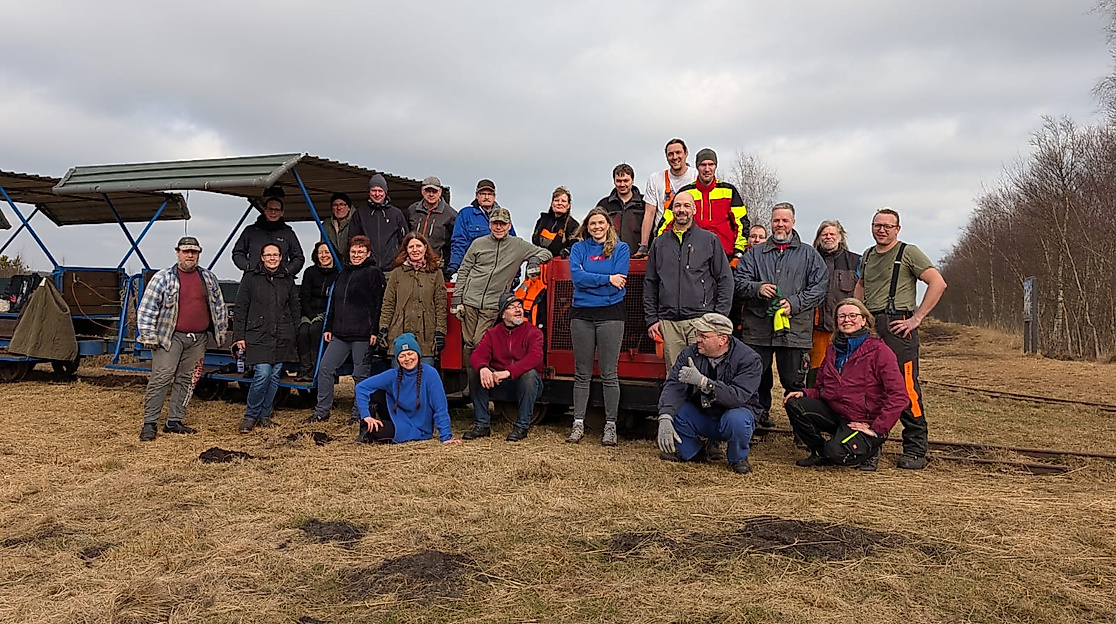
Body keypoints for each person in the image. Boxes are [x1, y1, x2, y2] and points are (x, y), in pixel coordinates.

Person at [855, 208, 947, 470]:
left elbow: (937, 283)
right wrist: (857, 312)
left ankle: (916, 446)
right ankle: (871, 444)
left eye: (887, 226)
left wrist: (916, 318)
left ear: (897, 229)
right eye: (877, 225)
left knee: (906, 388)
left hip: (898, 327)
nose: (881, 230)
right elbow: (861, 284)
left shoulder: (909, 252)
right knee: (871, 386)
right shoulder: (868, 254)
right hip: (872, 327)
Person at [784, 299, 907, 471]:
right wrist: (805, 394)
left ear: (864, 320)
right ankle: (819, 453)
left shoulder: (880, 351)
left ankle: (871, 447)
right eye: (841, 316)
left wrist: (878, 428)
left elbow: (899, 395)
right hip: (836, 413)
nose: (847, 320)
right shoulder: (832, 350)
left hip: (863, 420)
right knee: (794, 403)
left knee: (836, 453)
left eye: (852, 315)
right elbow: (821, 388)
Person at [734, 202, 827, 428]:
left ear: (793, 222)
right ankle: (754, 420)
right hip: (758, 329)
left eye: (785, 220)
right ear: (771, 222)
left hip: (794, 330)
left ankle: (801, 427)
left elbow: (819, 287)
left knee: (794, 381)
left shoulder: (809, 255)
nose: (780, 225)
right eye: (776, 220)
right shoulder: (754, 254)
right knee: (755, 378)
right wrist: (757, 288)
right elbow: (738, 282)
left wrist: (794, 303)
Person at [136, 236, 229, 441]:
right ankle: (150, 423)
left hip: (198, 338)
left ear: (199, 254)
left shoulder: (208, 278)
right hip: (170, 337)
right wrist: (149, 336)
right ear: (177, 252)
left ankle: (174, 421)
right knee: (162, 377)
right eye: (186, 251)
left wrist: (221, 332)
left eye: (194, 252)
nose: (190, 255)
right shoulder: (163, 278)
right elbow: (147, 309)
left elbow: (219, 306)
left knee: (187, 379)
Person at [656, 313, 763, 474]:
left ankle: (738, 458)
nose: (697, 339)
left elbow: (738, 397)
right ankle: (693, 452)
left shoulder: (749, 359)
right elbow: (673, 386)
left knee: (738, 420)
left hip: (733, 414)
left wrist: (705, 383)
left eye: (704, 336)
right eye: (697, 334)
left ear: (723, 339)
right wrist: (664, 416)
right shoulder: (689, 354)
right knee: (676, 410)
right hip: (702, 412)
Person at [451, 206, 552, 371]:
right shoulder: (478, 244)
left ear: (509, 225)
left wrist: (533, 261)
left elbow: (545, 253)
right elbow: (464, 270)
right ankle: (472, 383)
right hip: (470, 300)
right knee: (468, 343)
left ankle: (482, 381)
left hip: (492, 303)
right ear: (490, 225)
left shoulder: (518, 245)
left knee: (479, 341)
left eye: (503, 224)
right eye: (495, 223)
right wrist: (457, 299)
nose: (499, 227)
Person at [643, 192, 733, 373]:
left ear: (694, 209)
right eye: (677, 206)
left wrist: (718, 317)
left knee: (704, 374)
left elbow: (725, 279)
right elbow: (650, 283)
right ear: (672, 210)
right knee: (675, 376)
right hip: (669, 324)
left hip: (701, 321)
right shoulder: (659, 244)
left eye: (686, 206)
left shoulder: (709, 240)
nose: (681, 210)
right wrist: (652, 319)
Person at [565, 206, 630, 446]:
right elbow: (577, 279)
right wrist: (606, 279)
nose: (597, 227)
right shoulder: (578, 248)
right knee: (581, 373)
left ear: (608, 225)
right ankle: (578, 423)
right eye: (592, 223)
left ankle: (610, 426)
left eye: (601, 223)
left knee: (609, 373)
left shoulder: (621, 248)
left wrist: (593, 279)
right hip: (581, 314)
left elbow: (619, 281)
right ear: (587, 226)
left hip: (611, 315)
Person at [308, 235, 386, 423]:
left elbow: (379, 304)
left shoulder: (374, 273)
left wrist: (374, 330)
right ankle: (321, 411)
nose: (356, 255)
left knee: (360, 375)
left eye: (360, 252)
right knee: (325, 368)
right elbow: (333, 302)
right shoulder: (343, 273)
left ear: (368, 253)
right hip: (340, 333)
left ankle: (358, 415)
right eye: (353, 251)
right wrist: (328, 327)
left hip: (363, 334)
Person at [234, 243, 300, 433]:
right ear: (261, 257)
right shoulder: (250, 278)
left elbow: (295, 307)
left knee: (274, 377)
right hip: (257, 334)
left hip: (282, 335)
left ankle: (264, 415)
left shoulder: (287, 279)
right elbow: (240, 309)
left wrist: (294, 332)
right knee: (262, 374)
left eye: (276, 255)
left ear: (281, 258)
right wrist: (239, 336)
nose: (272, 258)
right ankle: (250, 415)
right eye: (268, 255)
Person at [353, 333, 461, 445]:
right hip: (396, 417)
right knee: (375, 392)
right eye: (402, 356)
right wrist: (366, 416)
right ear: (397, 359)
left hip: (417, 428)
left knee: (377, 432)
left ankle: (374, 431)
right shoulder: (393, 374)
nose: (407, 359)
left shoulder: (430, 373)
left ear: (418, 354)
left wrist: (446, 437)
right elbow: (361, 387)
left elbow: (440, 407)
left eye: (410, 354)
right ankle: (366, 428)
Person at [464, 292, 545, 442]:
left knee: (530, 375)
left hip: (526, 384)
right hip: (500, 383)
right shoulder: (492, 334)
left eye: (519, 306)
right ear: (503, 314)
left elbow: (535, 358)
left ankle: (521, 427)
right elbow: (477, 355)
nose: (518, 310)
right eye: (512, 307)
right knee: (475, 372)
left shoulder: (533, 332)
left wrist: (508, 372)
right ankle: (482, 425)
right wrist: (483, 369)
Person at [658, 148, 748, 259]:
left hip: (724, 257)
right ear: (697, 167)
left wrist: (738, 254)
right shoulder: (685, 193)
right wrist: (661, 249)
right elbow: (665, 224)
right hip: (692, 257)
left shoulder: (729, 191)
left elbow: (742, 224)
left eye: (711, 164)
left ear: (716, 166)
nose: (707, 169)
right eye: (703, 165)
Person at [379, 232, 448, 367]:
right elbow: (388, 303)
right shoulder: (397, 273)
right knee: (400, 380)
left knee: (424, 379)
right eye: (411, 247)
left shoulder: (435, 273)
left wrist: (440, 331)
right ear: (406, 250)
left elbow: (440, 304)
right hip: (399, 331)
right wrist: (383, 328)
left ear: (425, 248)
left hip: (426, 334)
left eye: (418, 246)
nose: (415, 250)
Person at [808, 220, 861, 387]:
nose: (828, 237)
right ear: (818, 238)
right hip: (816, 329)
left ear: (840, 237)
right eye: (824, 234)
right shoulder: (809, 259)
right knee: (815, 373)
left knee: (846, 372)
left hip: (846, 329)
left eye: (832, 234)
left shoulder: (856, 261)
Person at [639, 138, 697, 257]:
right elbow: (649, 213)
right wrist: (644, 246)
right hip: (663, 239)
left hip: (691, 238)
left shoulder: (696, 176)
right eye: (670, 154)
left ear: (686, 154)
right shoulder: (655, 179)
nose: (674, 157)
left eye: (678, 152)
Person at [447, 179, 517, 276]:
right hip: (474, 270)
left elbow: (513, 246)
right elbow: (459, 242)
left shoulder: (503, 216)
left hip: (499, 271)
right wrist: (454, 266)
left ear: (494, 196)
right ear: (477, 195)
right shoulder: (466, 214)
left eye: (490, 194)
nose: (486, 197)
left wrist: (515, 274)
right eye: (483, 193)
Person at [296, 242, 339, 382]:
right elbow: (305, 296)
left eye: (327, 252)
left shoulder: (339, 273)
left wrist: (322, 316)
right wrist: (310, 315)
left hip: (326, 313)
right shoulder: (310, 272)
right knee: (303, 332)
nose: (324, 255)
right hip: (310, 312)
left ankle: (315, 367)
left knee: (315, 330)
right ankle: (304, 367)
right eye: (321, 252)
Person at [231, 195, 305, 275]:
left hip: (280, 280)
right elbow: (237, 252)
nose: (273, 212)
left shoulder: (288, 233)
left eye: (276, 210)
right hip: (254, 278)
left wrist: (287, 270)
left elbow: (298, 257)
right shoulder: (250, 231)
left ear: (282, 213)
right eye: (270, 209)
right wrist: (248, 266)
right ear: (265, 210)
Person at [350, 174, 409, 271]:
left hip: (391, 269)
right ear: (369, 192)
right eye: (374, 190)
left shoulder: (396, 214)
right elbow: (352, 240)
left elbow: (404, 240)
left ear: (385, 192)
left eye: (380, 191)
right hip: (367, 269)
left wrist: (399, 261)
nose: (377, 194)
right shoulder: (360, 213)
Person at [406, 176, 457, 279]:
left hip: (437, 267)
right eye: (428, 191)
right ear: (422, 191)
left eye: (434, 191)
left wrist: (449, 267)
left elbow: (454, 243)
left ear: (440, 192)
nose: (431, 194)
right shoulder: (412, 210)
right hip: (413, 266)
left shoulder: (451, 215)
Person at [594, 163, 645, 250]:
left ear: (632, 180)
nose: (622, 184)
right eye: (618, 181)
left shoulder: (645, 203)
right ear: (614, 181)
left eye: (626, 180)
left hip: (637, 255)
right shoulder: (604, 204)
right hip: (610, 255)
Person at [532, 186, 579, 258]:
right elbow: (534, 241)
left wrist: (567, 251)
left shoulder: (573, 225)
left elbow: (576, 247)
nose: (559, 203)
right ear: (552, 204)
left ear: (568, 205)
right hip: (538, 262)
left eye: (563, 201)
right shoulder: (542, 220)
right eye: (556, 200)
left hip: (559, 264)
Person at [321, 193, 353, 262]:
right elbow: (323, 246)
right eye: (335, 205)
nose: (339, 208)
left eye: (342, 204)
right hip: (333, 266)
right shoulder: (326, 224)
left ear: (349, 208)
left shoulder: (356, 222)